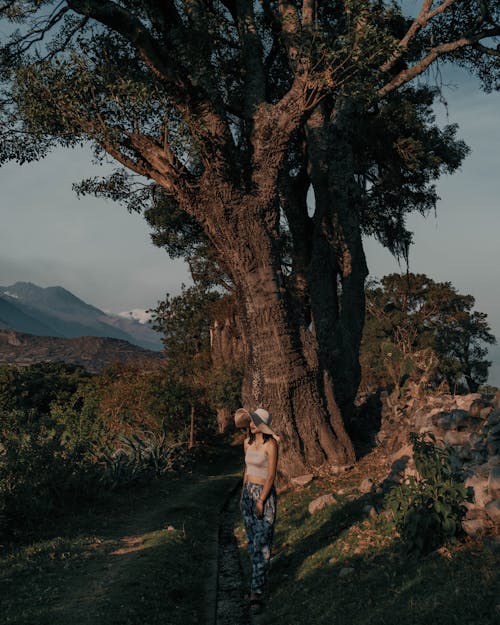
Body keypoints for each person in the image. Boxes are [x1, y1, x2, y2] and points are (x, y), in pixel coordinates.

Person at [234, 407, 279, 615]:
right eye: (250, 421)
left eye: (255, 421)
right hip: (248, 494)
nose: (251, 424)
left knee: (262, 542)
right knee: (252, 543)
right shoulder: (247, 443)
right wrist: (243, 495)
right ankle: (256, 583)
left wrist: (261, 500)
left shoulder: (271, 444)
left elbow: (270, 476)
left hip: (264, 495)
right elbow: (247, 470)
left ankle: (256, 593)